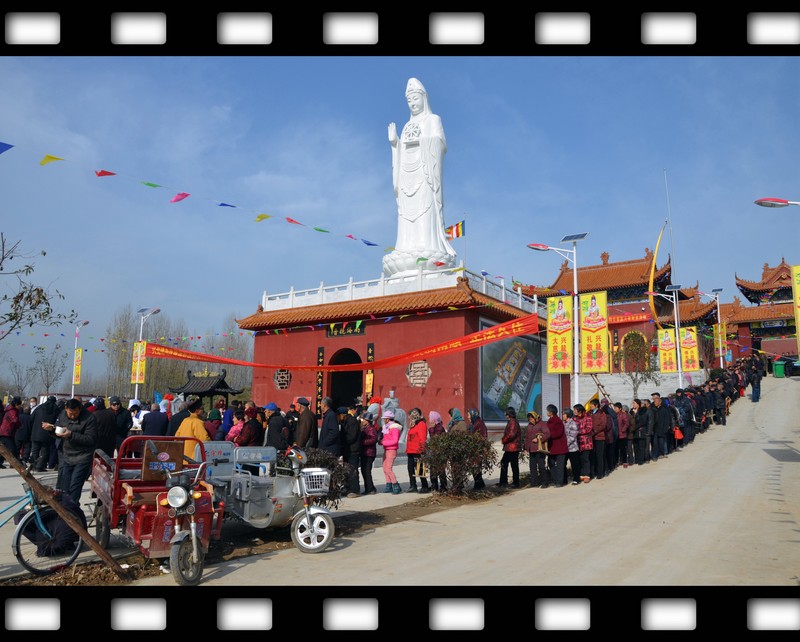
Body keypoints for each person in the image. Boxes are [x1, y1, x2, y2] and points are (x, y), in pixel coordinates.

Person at [383, 77, 456, 276]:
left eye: (415, 98)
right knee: (405, 217)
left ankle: (428, 246)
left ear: (424, 98)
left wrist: (423, 141)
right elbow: (401, 150)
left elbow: (440, 145)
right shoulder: (407, 125)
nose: (413, 103)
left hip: (425, 175)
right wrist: (395, 144)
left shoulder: (433, 120)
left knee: (425, 213)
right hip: (407, 176)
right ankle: (405, 248)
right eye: (409, 100)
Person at [42, 398, 97, 504]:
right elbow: (59, 431)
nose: (72, 416)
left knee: (75, 486)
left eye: (75, 413)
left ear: (80, 409)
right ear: (66, 409)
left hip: (83, 456)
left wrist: (71, 435)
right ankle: (65, 508)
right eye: (70, 413)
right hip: (67, 455)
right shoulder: (62, 415)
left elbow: (90, 439)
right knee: (64, 486)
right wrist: (51, 430)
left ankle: (72, 510)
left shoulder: (89, 418)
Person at [30, 395, 58, 472]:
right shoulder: (56, 409)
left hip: (36, 432)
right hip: (48, 433)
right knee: (45, 450)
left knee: (35, 450)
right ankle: (40, 466)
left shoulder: (39, 408)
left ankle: (35, 465)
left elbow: (31, 418)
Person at [405, 408, 430, 493]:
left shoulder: (421, 424)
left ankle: (424, 486)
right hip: (410, 450)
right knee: (410, 469)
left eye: (409, 415)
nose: (408, 417)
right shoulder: (413, 424)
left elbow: (422, 438)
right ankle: (413, 485)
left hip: (417, 451)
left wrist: (422, 450)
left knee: (420, 469)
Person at [339, 406, 362, 498]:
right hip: (347, 450)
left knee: (352, 470)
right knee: (346, 470)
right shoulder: (345, 422)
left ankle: (354, 490)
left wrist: (342, 441)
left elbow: (352, 437)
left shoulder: (352, 422)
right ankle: (347, 487)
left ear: (342, 415)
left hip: (353, 449)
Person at [524, 410, 550, 488]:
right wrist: (526, 448)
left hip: (539, 448)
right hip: (531, 449)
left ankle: (545, 482)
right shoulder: (529, 425)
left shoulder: (542, 424)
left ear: (535, 417)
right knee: (532, 466)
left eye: (532, 419)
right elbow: (527, 438)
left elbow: (547, 434)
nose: (530, 420)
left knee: (541, 466)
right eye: (529, 419)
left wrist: (539, 439)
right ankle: (534, 482)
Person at [380, 409, 402, 494]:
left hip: (391, 450)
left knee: (388, 468)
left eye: (384, 419)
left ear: (388, 419)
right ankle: (388, 484)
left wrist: (383, 442)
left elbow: (395, 441)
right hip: (386, 449)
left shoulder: (394, 428)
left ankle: (395, 484)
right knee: (385, 468)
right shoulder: (387, 427)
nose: (384, 420)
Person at [499, 406, 522, 488]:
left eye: (506, 413)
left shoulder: (513, 422)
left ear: (509, 414)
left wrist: (504, 440)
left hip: (513, 448)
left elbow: (511, 435)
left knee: (512, 465)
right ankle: (503, 482)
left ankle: (515, 483)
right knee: (505, 463)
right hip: (510, 447)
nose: (505, 415)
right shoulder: (511, 422)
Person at [546, 404, 568, 487]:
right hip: (552, 447)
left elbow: (558, 433)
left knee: (560, 466)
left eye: (547, 411)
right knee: (551, 463)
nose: (546, 412)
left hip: (560, 447)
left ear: (551, 412)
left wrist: (548, 435)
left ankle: (559, 482)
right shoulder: (549, 421)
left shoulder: (558, 421)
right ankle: (555, 480)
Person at [467, 408, 488, 490]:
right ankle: (479, 484)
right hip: (473, 449)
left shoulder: (479, 424)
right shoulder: (473, 423)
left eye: (469, 415)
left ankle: (479, 485)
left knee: (476, 467)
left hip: (477, 449)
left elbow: (482, 437)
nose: (468, 417)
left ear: (473, 415)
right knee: (475, 467)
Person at [359, 412, 379, 495]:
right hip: (365, 452)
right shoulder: (364, 428)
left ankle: (370, 488)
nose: (363, 421)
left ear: (368, 420)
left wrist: (363, 442)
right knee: (364, 471)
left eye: (364, 419)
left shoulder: (371, 429)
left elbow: (374, 439)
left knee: (367, 471)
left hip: (369, 453)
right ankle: (368, 487)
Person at [427, 410, 447, 492]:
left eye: (430, 418)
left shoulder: (439, 428)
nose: (429, 420)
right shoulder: (433, 428)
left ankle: (443, 486)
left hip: (439, 452)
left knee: (441, 470)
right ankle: (434, 485)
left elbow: (435, 439)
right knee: (433, 469)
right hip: (433, 452)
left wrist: (431, 429)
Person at [574, 403, 594, 483]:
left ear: (580, 410)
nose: (574, 411)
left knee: (586, 459)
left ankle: (587, 475)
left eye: (575, 410)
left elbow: (588, 429)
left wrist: (578, 432)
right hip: (577, 442)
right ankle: (581, 474)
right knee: (580, 459)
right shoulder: (574, 418)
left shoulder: (588, 417)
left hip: (586, 442)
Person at [0, 396, 22, 467]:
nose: (20, 407)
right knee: (12, 448)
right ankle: (15, 464)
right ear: (16, 404)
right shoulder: (13, 411)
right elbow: (15, 420)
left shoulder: (9, 409)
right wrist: (20, 425)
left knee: (5, 449)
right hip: (7, 432)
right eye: (19, 405)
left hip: (5, 432)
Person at [650, 392, 672, 461]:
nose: (654, 402)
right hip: (655, 429)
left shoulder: (664, 409)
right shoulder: (653, 409)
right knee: (655, 443)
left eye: (656, 401)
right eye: (654, 400)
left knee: (661, 442)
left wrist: (667, 427)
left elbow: (667, 419)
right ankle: (655, 455)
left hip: (662, 429)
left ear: (659, 401)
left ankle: (662, 453)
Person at [589, 398, 607, 480]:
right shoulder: (589, 413)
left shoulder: (602, 413)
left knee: (599, 455)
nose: (590, 406)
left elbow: (603, 425)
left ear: (596, 405)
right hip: (591, 437)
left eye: (592, 405)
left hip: (599, 437)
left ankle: (600, 473)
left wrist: (595, 431)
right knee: (592, 455)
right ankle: (593, 472)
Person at [562, 408, 581, 485]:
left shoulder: (573, 423)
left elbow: (572, 437)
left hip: (572, 448)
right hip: (564, 448)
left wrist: (565, 444)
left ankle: (576, 479)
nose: (563, 416)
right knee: (563, 464)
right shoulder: (563, 423)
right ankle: (564, 480)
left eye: (564, 414)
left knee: (574, 464)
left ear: (568, 415)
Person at [614, 402, 632, 468]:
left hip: (622, 435)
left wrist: (623, 430)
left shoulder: (623, 414)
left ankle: (624, 461)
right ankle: (617, 461)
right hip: (616, 434)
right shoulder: (614, 415)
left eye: (616, 408)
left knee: (623, 449)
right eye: (614, 408)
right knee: (616, 449)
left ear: (620, 408)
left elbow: (626, 423)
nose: (615, 409)